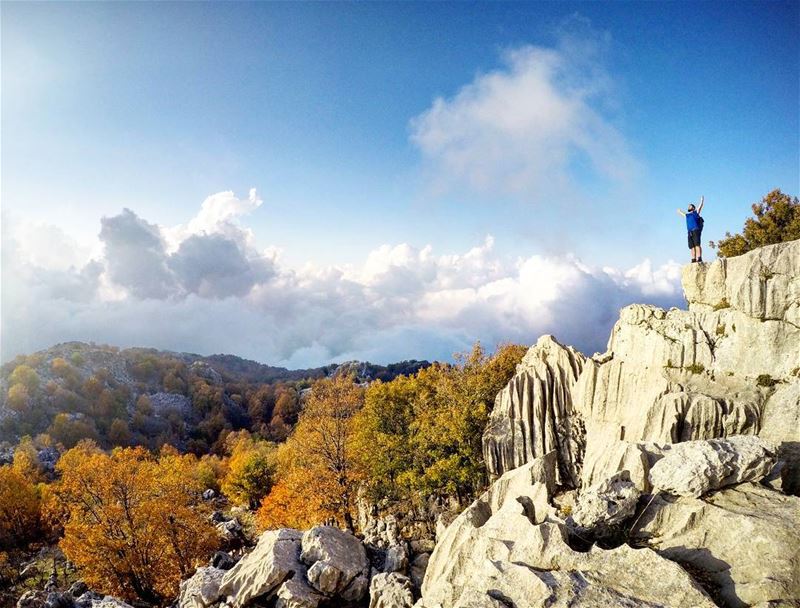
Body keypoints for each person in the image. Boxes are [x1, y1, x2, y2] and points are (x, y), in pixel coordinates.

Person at [677, 196, 705, 263]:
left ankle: (699, 258)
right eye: (688, 206)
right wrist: (679, 211)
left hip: (695, 230)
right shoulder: (687, 215)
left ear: (693, 207)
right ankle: (693, 259)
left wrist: (701, 200)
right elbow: (682, 213)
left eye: (690, 206)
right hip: (689, 232)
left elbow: (700, 206)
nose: (688, 206)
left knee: (697, 245)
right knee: (691, 247)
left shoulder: (696, 212)